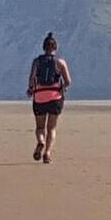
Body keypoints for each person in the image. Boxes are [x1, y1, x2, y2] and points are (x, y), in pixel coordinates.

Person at [26, 32, 72, 164]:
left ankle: (40, 141)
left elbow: (31, 79)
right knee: (51, 128)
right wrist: (63, 88)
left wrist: (30, 90)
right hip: (55, 98)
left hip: (39, 97)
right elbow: (68, 81)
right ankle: (47, 153)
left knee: (40, 128)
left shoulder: (37, 62)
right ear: (55, 48)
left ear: (44, 47)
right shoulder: (60, 62)